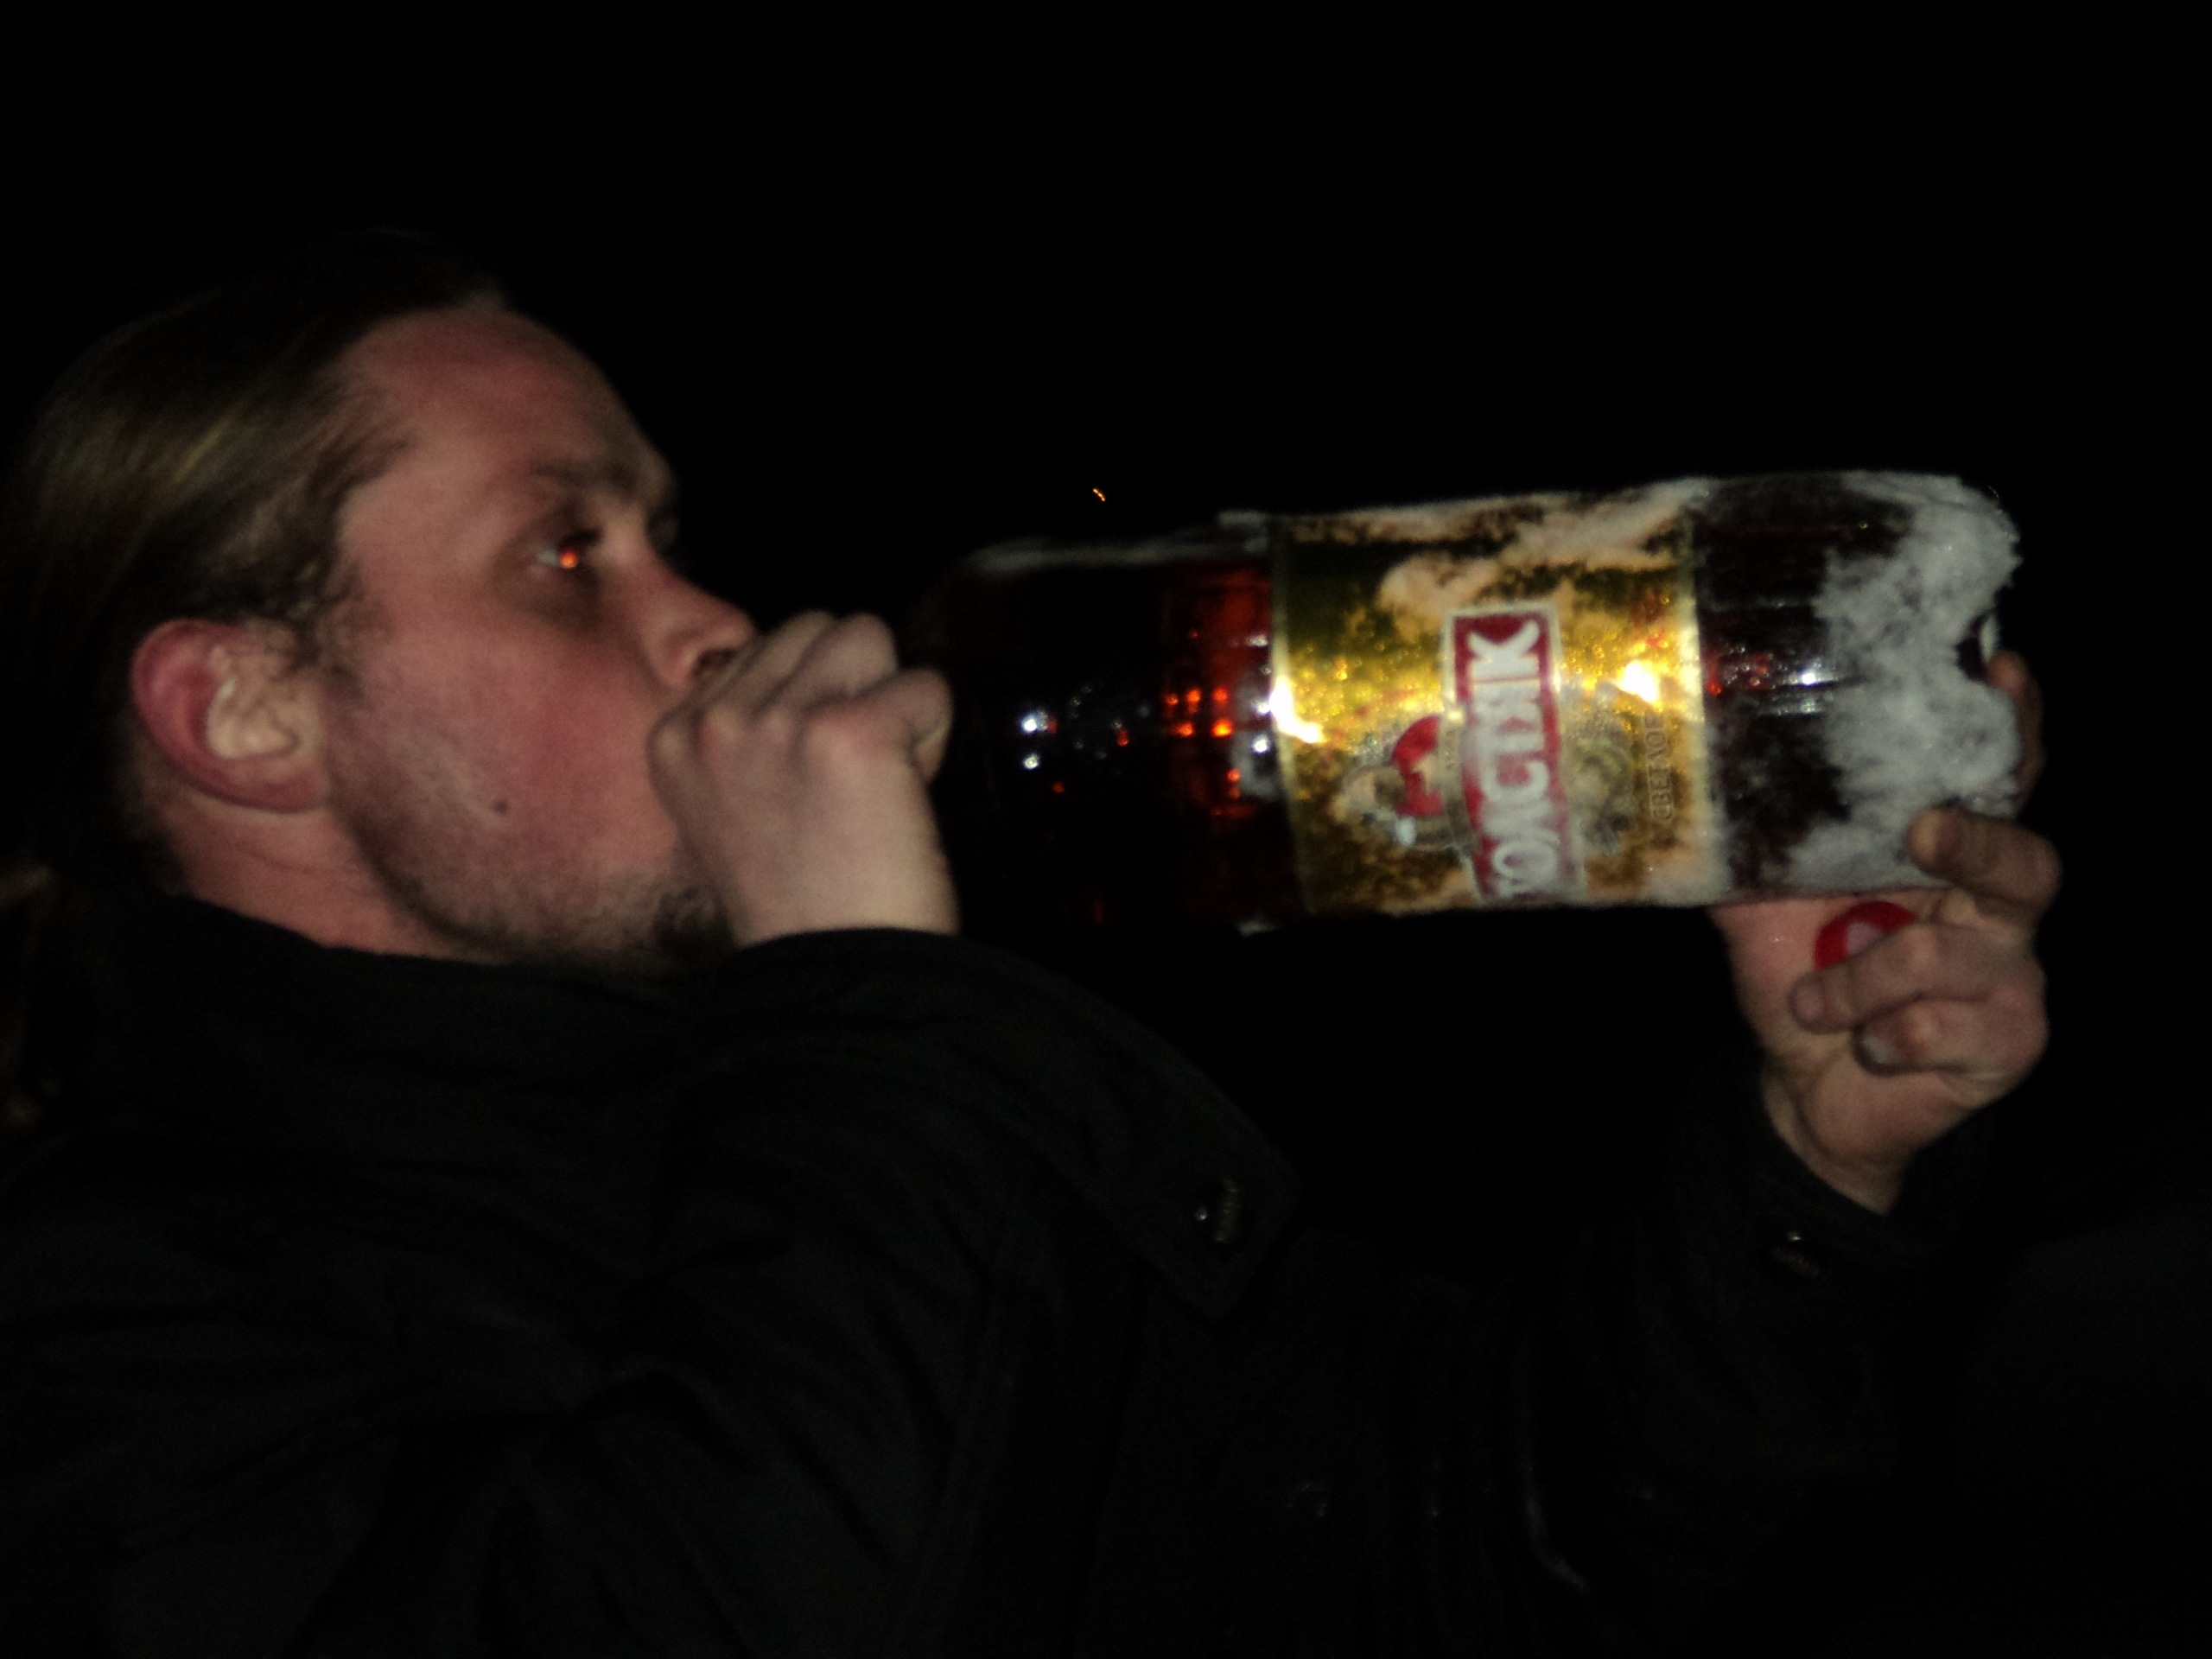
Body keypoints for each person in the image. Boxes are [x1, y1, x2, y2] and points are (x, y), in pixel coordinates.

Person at [0, 234, 2058, 1656]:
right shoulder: (109, 1335)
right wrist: (865, 1012)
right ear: (245, 715)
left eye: (662, 535)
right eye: (564, 554)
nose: (707, 623)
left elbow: (1491, 1554)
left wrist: (1805, 1170)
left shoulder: (823, 1115)